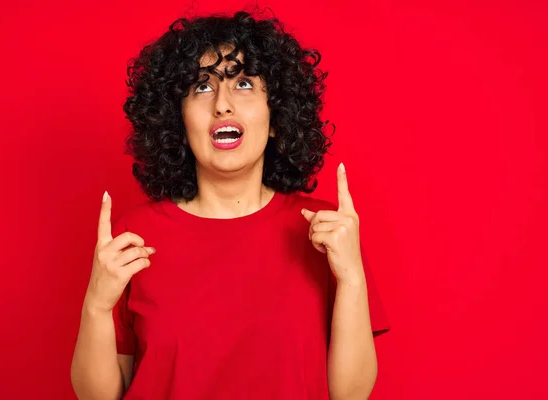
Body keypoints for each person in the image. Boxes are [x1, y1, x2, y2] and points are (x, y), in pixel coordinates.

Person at [71, 10, 390, 400]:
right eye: (201, 88)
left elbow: (351, 394)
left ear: (276, 116)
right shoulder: (132, 239)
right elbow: (97, 397)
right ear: (178, 120)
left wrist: (352, 278)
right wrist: (96, 305)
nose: (222, 105)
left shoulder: (326, 232)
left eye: (243, 84)